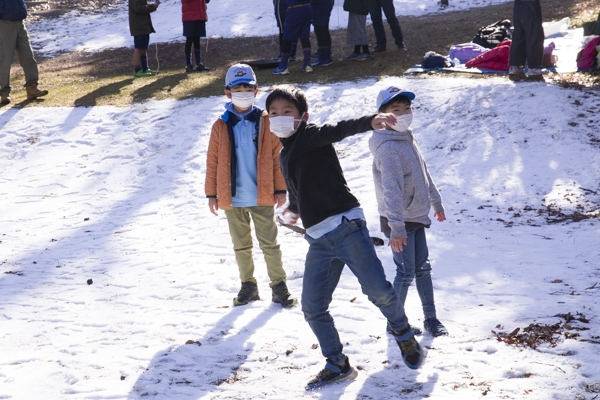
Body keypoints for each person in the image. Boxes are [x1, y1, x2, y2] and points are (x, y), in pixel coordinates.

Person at [265, 84, 423, 390]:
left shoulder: (310, 135)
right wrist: (292, 210)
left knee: (378, 291)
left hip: (346, 227)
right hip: (318, 241)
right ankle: (337, 364)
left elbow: (336, 130)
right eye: (274, 113)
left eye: (288, 112)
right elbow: (298, 190)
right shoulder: (285, 154)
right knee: (312, 307)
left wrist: (369, 122)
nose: (281, 118)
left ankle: (403, 334)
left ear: (303, 116)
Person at [204, 64, 296, 308]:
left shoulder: (267, 122)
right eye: (237, 88)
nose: (242, 92)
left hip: (262, 195)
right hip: (232, 198)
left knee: (270, 243)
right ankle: (248, 285)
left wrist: (280, 189)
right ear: (227, 92)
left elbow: (278, 156)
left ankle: (279, 286)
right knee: (241, 245)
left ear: (256, 92)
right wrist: (212, 194)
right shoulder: (220, 125)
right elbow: (212, 161)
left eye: (247, 88)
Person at [369, 86, 448, 337]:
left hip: (415, 216)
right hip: (398, 221)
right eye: (395, 110)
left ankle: (431, 319)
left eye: (407, 109)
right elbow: (391, 191)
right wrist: (396, 228)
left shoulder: (407, 138)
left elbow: (423, 172)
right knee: (405, 272)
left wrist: (436, 201)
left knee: (422, 268)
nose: (403, 114)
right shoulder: (389, 149)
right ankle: (395, 323)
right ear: (382, 115)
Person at [0, 0, 48, 105]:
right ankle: (4, 92)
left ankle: (32, 88)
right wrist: (3, 9)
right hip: (4, 23)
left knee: (28, 56)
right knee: (5, 59)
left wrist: (22, 9)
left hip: (20, 23)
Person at [272, 0, 313, 75]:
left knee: (287, 37)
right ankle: (307, 64)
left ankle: (283, 66)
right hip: (307, 7)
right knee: (305, 36)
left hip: (294, 9)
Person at [508, 0, 544, 80]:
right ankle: (534, 67)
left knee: (519, 34)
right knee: (534, 35)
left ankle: (515, 66)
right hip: (530, 4)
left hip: (518, 5)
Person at [129, 0, 159, 77]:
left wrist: (154, 6)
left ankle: (145, 68)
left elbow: (143, 7)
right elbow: (138, 8)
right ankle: (137, 70)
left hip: (144, 26)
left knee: (143, 48)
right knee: (138, 48)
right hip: (139, 26)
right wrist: (152, 6)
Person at [181, 0, 210, 72]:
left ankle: (198, 63)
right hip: (189, 18)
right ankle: (188, 64)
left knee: (197, 40)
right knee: (189, 40)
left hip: (200, 16)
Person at [310, 0, 334, 67]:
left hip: (320, 6)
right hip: (323, 5)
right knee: (324, 29)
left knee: (320, 30)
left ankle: (324, 57)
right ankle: (326, 54)